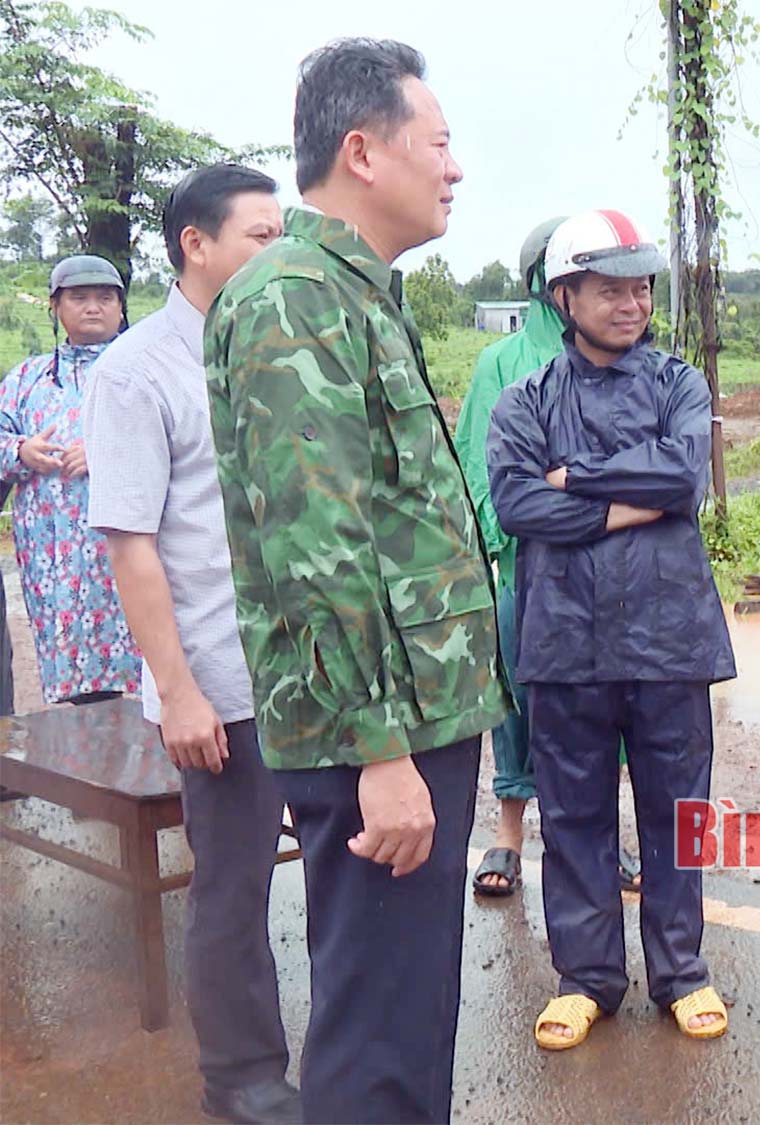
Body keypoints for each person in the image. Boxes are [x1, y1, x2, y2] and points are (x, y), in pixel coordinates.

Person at [204, 39, 507, 1124]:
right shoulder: (294, 297)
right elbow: (314, 547)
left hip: (409, 714)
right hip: (373, 730)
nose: (455, 168)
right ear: (362, 151)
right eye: (438, 143)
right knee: (377, 1035)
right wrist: (381, 753)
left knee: (407, 1011)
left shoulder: (354, 292)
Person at [486, 208, 735, 1048]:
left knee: (677, 812)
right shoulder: (526, 400)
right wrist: (628, 506)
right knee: (574, 814)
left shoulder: (678, 385)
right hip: (565, 639)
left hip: (670, 637)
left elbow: (682, 476)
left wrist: (580, 480)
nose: (631, 303)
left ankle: (681, 970)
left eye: (640, 287)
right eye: (610, 288)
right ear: (564, 295)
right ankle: (586, 976)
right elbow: (519, 503)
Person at [81, 163, 299, 1125]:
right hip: (219, 678)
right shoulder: (136, 371)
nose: (279, 249)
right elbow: (130, 542)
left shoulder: (282, 350)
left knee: (342, 866)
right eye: (261, 233)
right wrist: (179, 691)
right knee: (235, 885)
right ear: (195, 245)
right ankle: (242, 1077)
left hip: (307, 672)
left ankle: (335, 1051)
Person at [456, 217, 642, 899]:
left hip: (609, 569)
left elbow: (650, 472)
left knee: (608, 706)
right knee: (517, 701)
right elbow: (479, 468)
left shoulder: (627, 358)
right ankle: (508, 835)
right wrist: (507, 540)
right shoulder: (500, 365)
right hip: (525, 566)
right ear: (548, 283)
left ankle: (604, 838)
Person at [0, 254, 143, 705]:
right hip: (51, 555)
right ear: (55, 307)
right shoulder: (27, 378)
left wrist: (107, 455)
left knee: (144, 671)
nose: (93, 307)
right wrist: (20, 451)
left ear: (121, 308)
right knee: (71, 687)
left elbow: (185, 439)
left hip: (124, 547)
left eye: (105, 298)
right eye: (78, 298)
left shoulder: (142, 370)